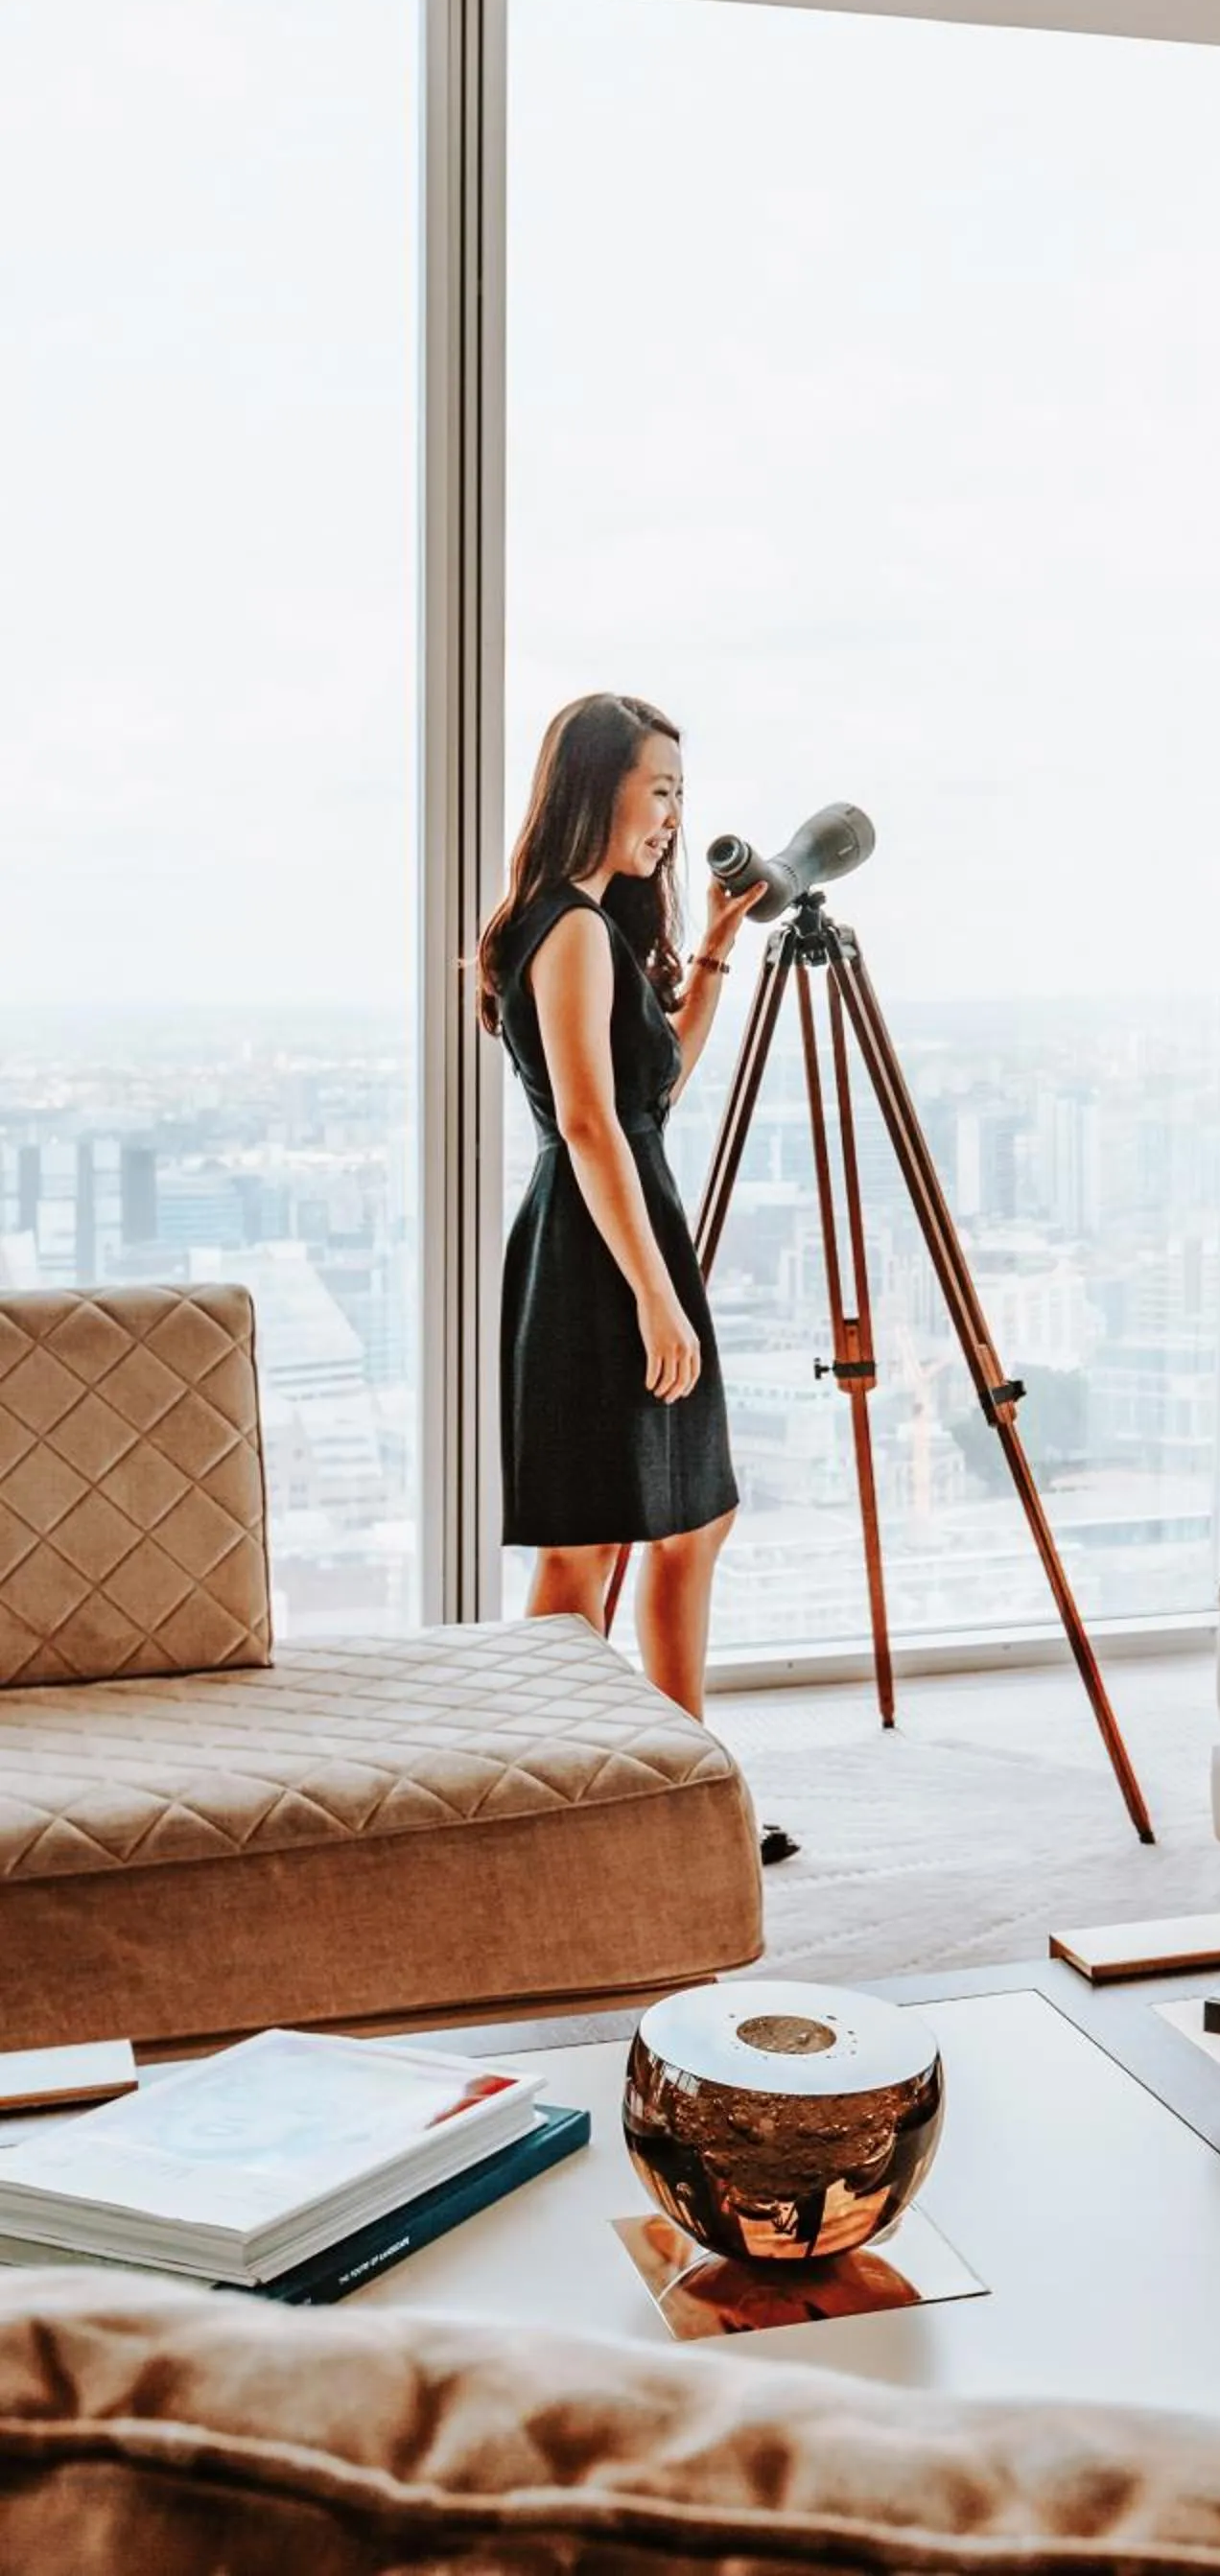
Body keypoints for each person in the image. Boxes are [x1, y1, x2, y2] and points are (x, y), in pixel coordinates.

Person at [477, 696, 787, 1852]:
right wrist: (656, 1294)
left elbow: (652, 1088)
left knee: (689, 1521)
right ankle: (555, 1795)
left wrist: (711, 944)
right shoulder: (561, 929)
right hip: (599, 1255)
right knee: (591, 1543)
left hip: (629, 1233)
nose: (670, 815)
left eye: (677, 793)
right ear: (592, 788)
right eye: (656, 789)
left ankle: (680, 1779)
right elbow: (593, 1126)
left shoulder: (597, 929)